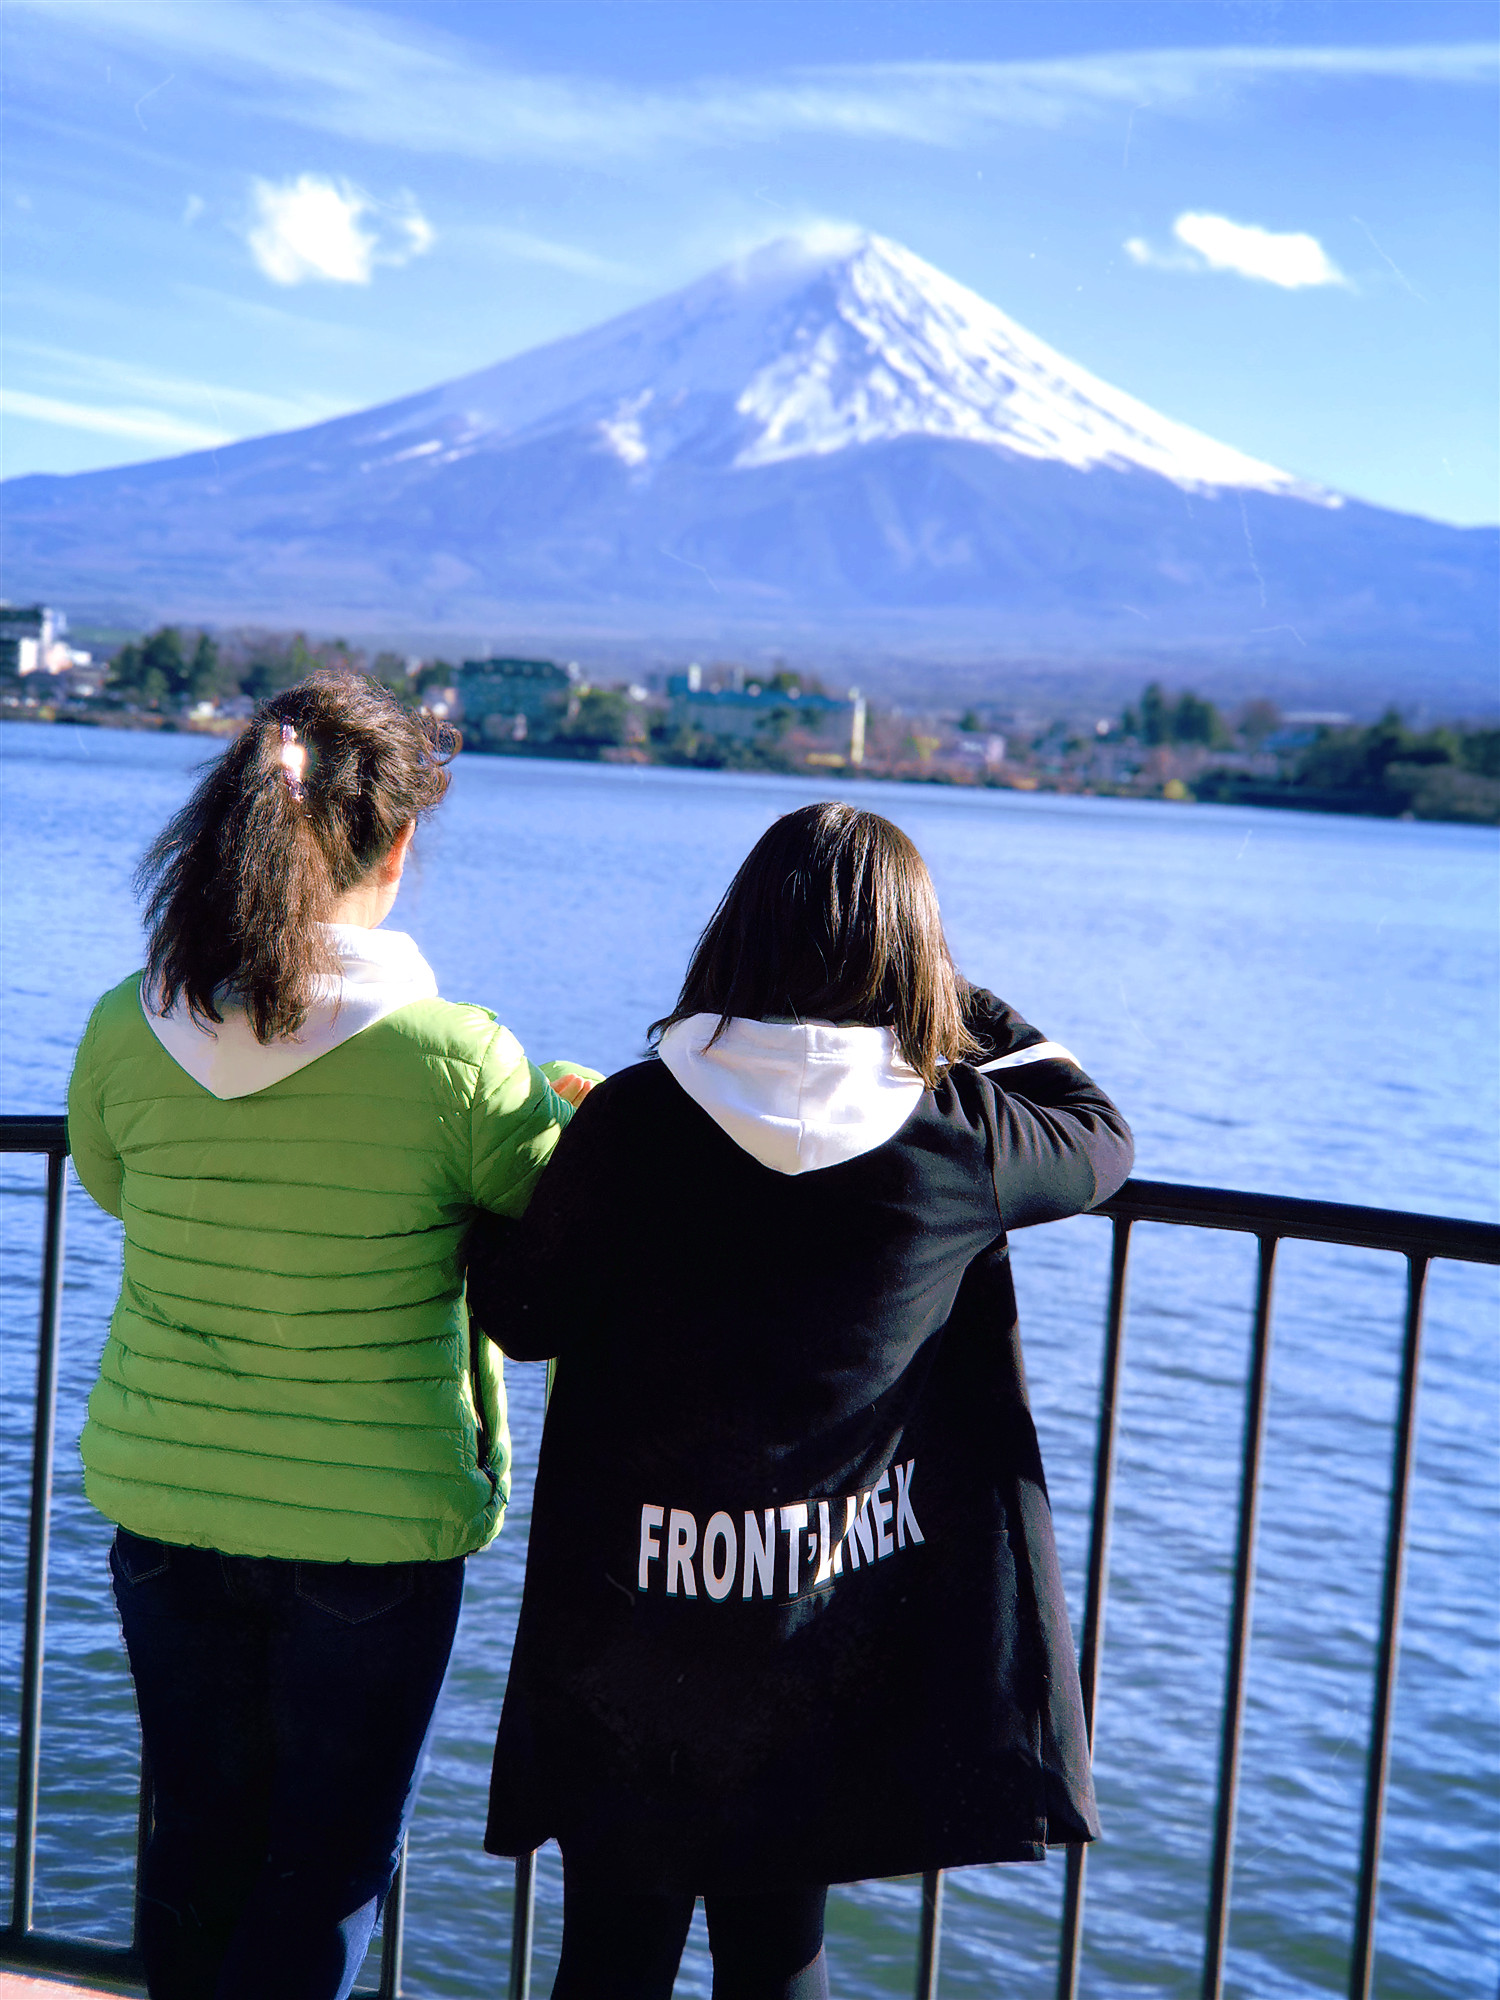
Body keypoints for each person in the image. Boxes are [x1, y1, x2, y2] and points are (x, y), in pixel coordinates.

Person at [465, 801, 1135, 2000]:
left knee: (611, 1954)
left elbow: (523, 1317)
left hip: (635, 1618)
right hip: (822, 1623)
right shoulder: (957, 1137)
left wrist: (489, 1222)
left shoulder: (633, 1116)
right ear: (909, 958)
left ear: (737, 934)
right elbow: (1100, 1130)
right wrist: (951, 995)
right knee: (779, 1951)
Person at [66, 675, 594, 2000]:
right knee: (325, 1872)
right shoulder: (458, 1057)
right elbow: (556, 1211)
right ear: (398, 846)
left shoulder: (127, 1026)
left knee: (191, 1841)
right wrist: (572, 1113)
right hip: (374, 1520)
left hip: (168, 1497)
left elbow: (117, 1183)